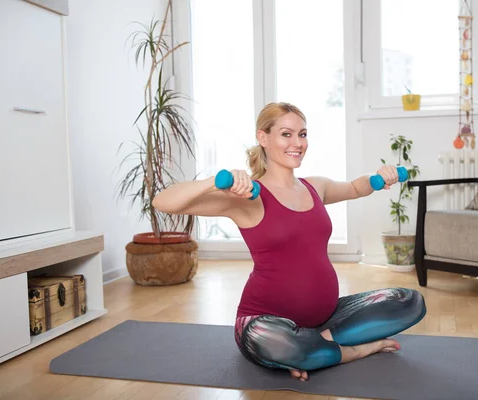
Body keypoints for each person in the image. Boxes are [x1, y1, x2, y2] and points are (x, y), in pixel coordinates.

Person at [152, 102, 426, 381]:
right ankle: (351, 351)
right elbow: (163, 202)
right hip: (264, 323)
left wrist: (379, 177)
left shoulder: (314, 187)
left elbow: (355, 188)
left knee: (409, 301)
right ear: (263, 137)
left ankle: (317, 346)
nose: (298, 143)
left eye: (302, 134)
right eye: (286, 134)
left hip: (327, 315)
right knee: (279, 343)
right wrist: (214, 181)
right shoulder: (249, 197)